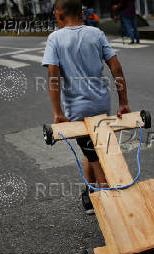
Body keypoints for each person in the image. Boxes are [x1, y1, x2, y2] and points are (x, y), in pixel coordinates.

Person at [42, 0, 131, 214]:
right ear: (81, 13)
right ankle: (90, 194)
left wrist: (58, 113)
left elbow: (53, 78)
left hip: (77, 110)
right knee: (92, 147)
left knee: (94, 154)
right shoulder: (96, 34)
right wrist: (124, 102)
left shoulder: (55, 38)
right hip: (101, 104)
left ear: (59, 14)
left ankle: (110, 207)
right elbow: (116, 68)